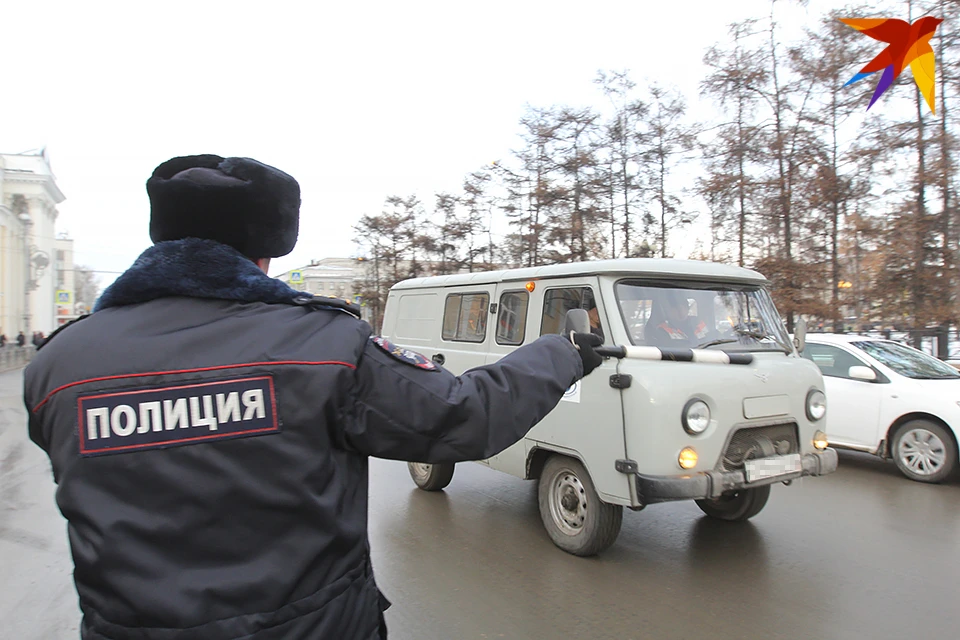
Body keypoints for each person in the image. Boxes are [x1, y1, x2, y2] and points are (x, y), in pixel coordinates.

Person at [22, 154, 604, 640]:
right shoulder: (321, 345)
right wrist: (564, 352)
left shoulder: (60, 365)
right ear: (263, 250)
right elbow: (464, 416)